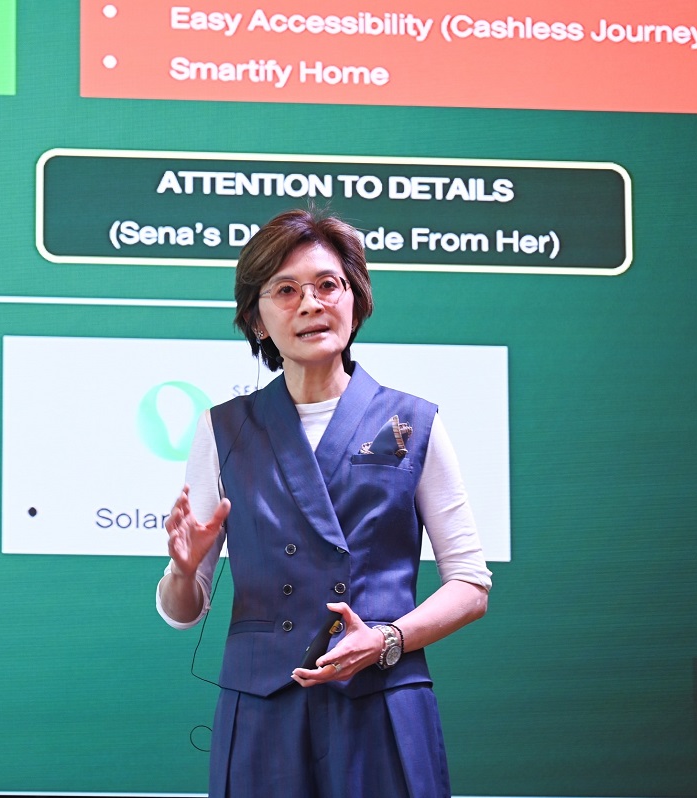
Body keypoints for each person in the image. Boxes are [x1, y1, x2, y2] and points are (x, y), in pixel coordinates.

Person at [155, 209, 492, 797]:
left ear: (354, 302)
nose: (310, 303)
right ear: (257, 321)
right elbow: (185, 611)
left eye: (327, 285)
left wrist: (387, 640)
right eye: (286, 290)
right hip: (262, 706)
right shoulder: (223, 429)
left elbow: (470, 585)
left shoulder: (412, 422)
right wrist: (184, 572)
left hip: (380, 697)